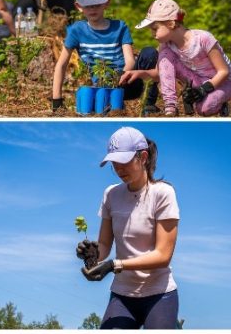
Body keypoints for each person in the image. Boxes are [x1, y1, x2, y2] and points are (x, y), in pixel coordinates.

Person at [76, 126, 180, 329]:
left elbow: (163, 255)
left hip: (160, 294)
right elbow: (105, 244)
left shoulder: (163, 193)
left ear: (142, 157)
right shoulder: (111, 195)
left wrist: (115, 265)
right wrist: (92, 254)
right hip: (122, 295)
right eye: (114, 163)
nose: (118, 169)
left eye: (123, 161)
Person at [52, 0, 159, 113]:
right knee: (95, 104)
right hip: (102, 86)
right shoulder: (76, 30)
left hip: (128, 79)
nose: (92, 9)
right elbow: (61, 64)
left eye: (97, 4)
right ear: (79, 6)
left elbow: (130, 60)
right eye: (87, 5)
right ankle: (113, 106)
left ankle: (148, 104)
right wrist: (56, 100)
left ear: (106, 3)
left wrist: (121, 76)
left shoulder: (120, 27)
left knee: (149, 53)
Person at [134, 0, 231, 117]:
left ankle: (222, 104)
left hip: (224, 82)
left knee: (204, 109)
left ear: (171, 23)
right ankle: (170, 106)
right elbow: (159, 73)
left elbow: (223, 72)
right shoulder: (166, 45)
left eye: (155, 29)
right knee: (165, 54)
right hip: (198, 80)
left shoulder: (203, 39)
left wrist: (203, 89)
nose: (152, 33)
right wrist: (137, 73)